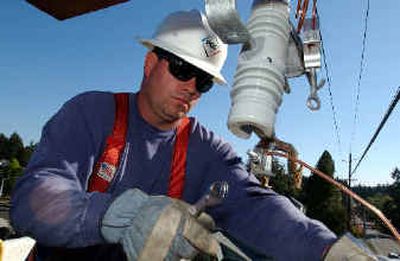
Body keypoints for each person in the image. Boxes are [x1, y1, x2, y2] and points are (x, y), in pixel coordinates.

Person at [10, 9, 342, 260]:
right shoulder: (91, 114)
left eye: (203, 81)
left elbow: (256, 206)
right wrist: (116, 215)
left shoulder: (204, 150)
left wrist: (327, 249)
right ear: (150, 62)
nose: (191, 88)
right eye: (183, 69)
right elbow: (32, 200)